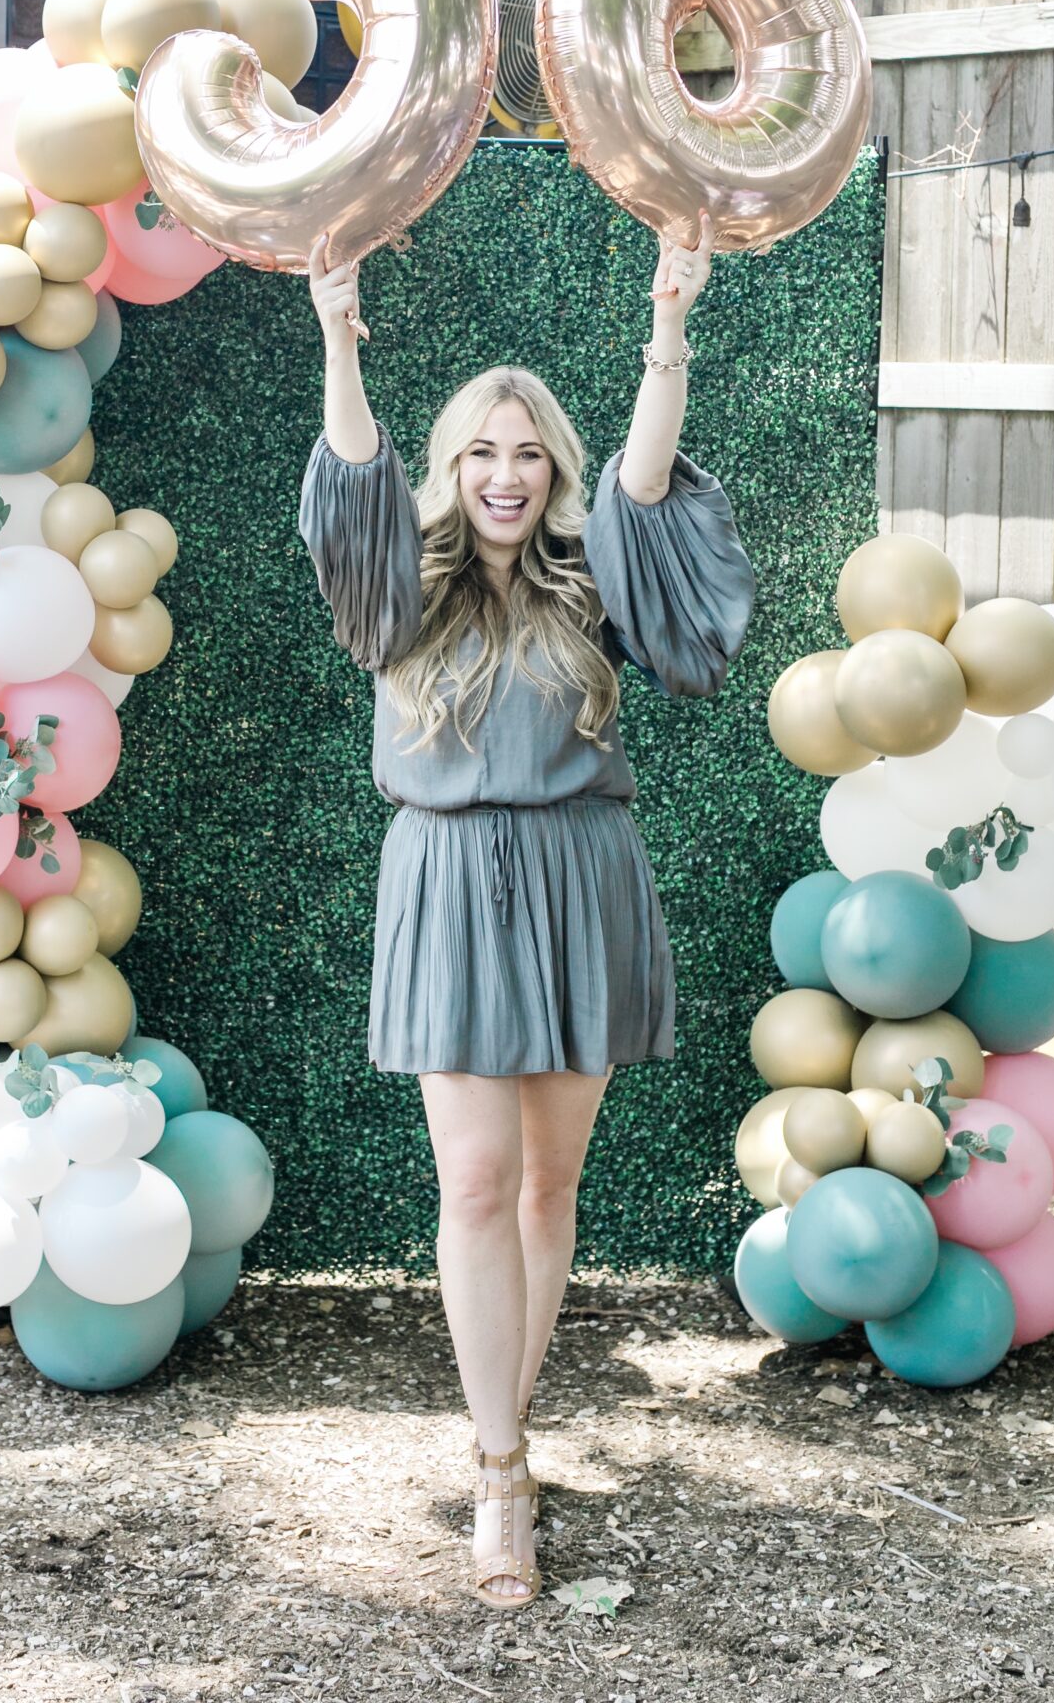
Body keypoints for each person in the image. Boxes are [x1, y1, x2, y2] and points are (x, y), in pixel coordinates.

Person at [298, 215, 755, 1612]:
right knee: (475, 1183)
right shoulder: (398, 585)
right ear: (453, 469)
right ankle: (499, 1474)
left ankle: (518, 1410)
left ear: (549, 467)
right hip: (447, 881)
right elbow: (355, 481)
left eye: (526, 450)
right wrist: (336, 332)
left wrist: (667, 324)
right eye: (481, 451)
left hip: (581, 878)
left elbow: (647, 480)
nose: (505, 474)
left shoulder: (591, 577)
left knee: (551, 1187)